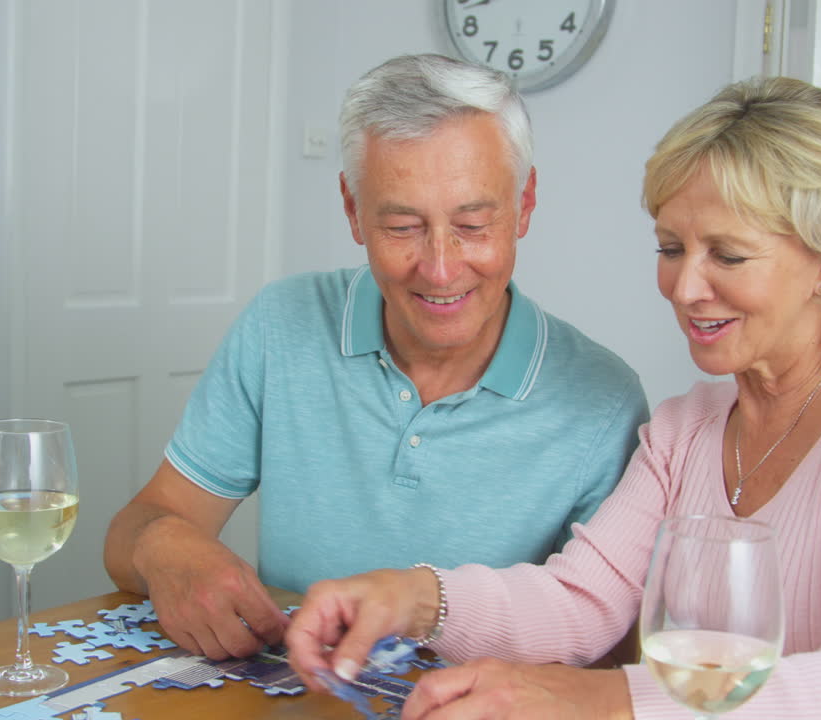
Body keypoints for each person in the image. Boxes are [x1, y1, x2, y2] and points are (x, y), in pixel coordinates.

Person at [286, 76, 821, 719]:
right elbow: (578, 601)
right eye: (671, 248)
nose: (685, 287)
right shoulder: (687, 430)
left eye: (726, 255)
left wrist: (610, 702)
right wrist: (412, 595)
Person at [102, 53, 650, 662]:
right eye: (402, 227)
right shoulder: (279, 325)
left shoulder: (605, 402)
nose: (441, 268)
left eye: (472, 224)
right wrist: (164, 548)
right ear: (352, 208)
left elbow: (609, 651)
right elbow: (137, 527)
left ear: (524, 204)